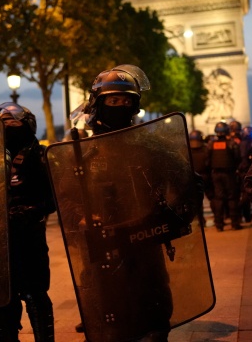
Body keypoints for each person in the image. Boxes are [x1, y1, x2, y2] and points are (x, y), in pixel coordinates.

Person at [49, 65, 205, 342]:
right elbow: (66, 200)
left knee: (154, 325)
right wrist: (82, 218)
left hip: (145, 246)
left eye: (126, 101)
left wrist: (170, 220)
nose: (121, 105)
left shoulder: (152, 147)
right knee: (110, 329)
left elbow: (189, 185)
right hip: (101, 253)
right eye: (113, 100)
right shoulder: (81, 153)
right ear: (98, 103)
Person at [0, 102, 56, 342]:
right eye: (3, 121)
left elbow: (53, 199)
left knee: (35, 293)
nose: (7, 125)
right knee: (5, 294)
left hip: (29, 234)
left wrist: (29, 212)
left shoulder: (39, 155)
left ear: (27, 125)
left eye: (13, 121)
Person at [207, 121, 242, 231]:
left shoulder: (211, 144)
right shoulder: (232, 144)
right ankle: (235, 223)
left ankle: (219, 224)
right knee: (232, 198)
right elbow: (237, 158)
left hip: (216, 175)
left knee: (219, 199)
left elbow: (208, 160)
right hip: (229, 174)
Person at [189, 130, 212, 226]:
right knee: (213, 198)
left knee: (197, 201)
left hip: (193, 177)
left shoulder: (186, 150)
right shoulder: (206, 149)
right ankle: (220, 220)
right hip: (206, 176)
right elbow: (210, 163)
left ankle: (201, 221)